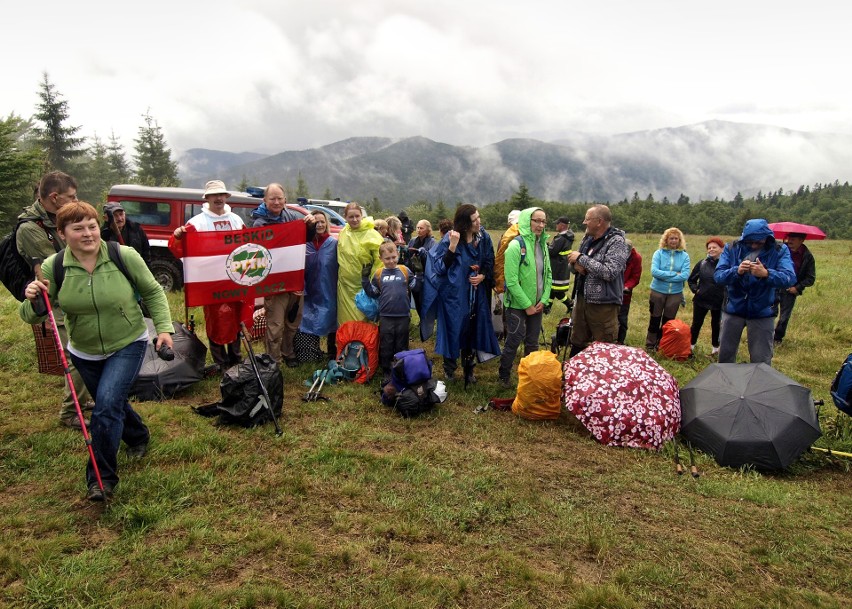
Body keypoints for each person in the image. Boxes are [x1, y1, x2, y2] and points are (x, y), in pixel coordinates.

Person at [20, 201, 174, 501]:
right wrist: (33, 298)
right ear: (63, 233)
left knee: (104, 406)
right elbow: (34, 315)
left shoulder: (122, 255)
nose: (88, 233)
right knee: (111, 401)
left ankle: (101, 479)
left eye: (92, 226)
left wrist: (164, 329)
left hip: (128, 343)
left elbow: (154, 291)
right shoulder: (55, 266)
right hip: (83, 351)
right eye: (78, 228)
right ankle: (138, 435)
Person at [17, 171, 93, 429]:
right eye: (71, 197)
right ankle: (70, 413)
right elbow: (56, 265)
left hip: (76, 295)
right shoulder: (31, 229)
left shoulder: (55, 219)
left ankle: (83, 400)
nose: (75, 200)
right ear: (54, 197)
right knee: (75, 357)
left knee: (88, 351)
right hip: (56, 301)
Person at [170, 180, 253, 373]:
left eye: (222, 195)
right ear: (207, 198)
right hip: (211, 281)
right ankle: (220, 361)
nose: (219, 198)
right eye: (214, 195)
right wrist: (178, 236)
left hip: (234, 278)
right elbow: (179, 248)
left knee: (235, 318)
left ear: (226, 197)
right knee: (215, 319)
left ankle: (235, 358)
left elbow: (245, 245)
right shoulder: (196, 223)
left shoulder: (236, 220)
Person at [421, 204, 500, 383]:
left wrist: (483, 275)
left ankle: (469, 369)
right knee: (453, 329)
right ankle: (450, 370)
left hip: (475, 294)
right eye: (474, 220)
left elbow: (489, 259)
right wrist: (453, 247)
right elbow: (439, 268)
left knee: (472, 327)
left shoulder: (483, 237)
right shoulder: (451, 238)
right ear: (465, 223)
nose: (479, 222)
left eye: (479, 217)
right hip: (453, 296)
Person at [251, 183, 317, 367]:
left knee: (293, 321)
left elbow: (307, 238)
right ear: (265, 200)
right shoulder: (260, 223)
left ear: (285, 200)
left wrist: (310, 226)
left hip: (295, 279)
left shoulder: (292, 217)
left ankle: (288, 353)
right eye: (272, 198)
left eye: (280, 198)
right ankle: (273, 360)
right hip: (275, 283)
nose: (276, 202)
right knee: (275, 324)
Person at [714, 219, 796, 365]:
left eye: (758, 242)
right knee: (725, 357)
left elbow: (789, 278)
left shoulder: (779, 250)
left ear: (768, 238)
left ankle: (759, 386)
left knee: (761, 360)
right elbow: (718, 276)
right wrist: (737, 271)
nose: (753, 245)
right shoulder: (732, 247)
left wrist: (766, 274)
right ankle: (725, 386)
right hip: (733, 309)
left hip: (762, 311)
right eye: (750, 242)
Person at [498, 207, 552, 387]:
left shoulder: (543, 245)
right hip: (517, 305)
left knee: (532, 343)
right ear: (527, 221)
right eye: (536, 220)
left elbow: (548, 275)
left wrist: (543, 300)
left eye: (543, 221)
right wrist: (527, 305)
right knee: (513, 340)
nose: (540, 225)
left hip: (537, 305)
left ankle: (529, 376)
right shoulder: (515, 246)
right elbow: (511, 281)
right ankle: (504, 375)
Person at [566, 205, 630, 356]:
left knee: (604, 347)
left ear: (599, 221)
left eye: (587, 219)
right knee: (577, 341)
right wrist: (575, 265)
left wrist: (582, 259)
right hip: (582, 300)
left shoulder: (617, 242)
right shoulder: (587, 238)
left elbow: (610, 272)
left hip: (604, 305)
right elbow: (575, 264)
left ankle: (602, 378)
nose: (584, 222)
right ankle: (573, 375)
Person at [362, 241, 417, 382]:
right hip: (386, 317)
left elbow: (416, 287)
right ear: (381, 259)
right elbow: (373, 293)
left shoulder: (405, 271)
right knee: (386, 344)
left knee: (401, 344)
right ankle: (386, 371)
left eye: (393, 257)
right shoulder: (379, 273)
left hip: (403, 316)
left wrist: (420, 274)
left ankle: (400, 369)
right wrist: (364, 279)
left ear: (398, 254)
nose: (391, 261)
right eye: (387, 258)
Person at [300, 209, 339, 358]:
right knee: (308, 318)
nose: (319, 224)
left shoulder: (333, 243)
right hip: (309, 289)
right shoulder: (305, 244)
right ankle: (311, 352)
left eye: (322, 221)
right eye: (316, 222)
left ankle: (332, 351)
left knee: (331, 317)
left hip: (329, 288)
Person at [337, 203, 384, 325]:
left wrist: (372, 282)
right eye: (351, 217)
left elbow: (381, 260)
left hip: (365, 287)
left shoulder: (372, 234)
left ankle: (367, 344)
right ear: (345, 217)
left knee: (364, 322)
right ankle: (347, 343)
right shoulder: (343, 233)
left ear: (362, 215)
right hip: (345, 287)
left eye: (357, 216)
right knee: (346, 322)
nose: (354, 220)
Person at [645, 228, 690, 350]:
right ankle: (650, 344)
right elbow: (655, 272)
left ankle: (662, 344)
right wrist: (675, 274)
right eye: (671, 238)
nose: (673, 241)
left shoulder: (684, 256)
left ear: (679, 240)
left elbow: (685, 275)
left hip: (675, 294)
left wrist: (665, 275)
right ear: (666, 240)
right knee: (655, 319)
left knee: (668, 321)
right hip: (658, 292)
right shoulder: (658, 253)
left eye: (676, 238)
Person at [773, 232, 816, 345]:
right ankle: (764, 335)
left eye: (793, 239)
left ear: (801, 240)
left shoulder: (807, 256)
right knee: (768, 312)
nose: (790, 241)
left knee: (784, 317)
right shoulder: (779, 250)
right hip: (774, 286)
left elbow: (810, 278)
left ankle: (777, 338)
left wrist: (797, 288)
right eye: (789, 238)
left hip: (790, 290)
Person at [688, 237, 725, 355]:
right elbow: (691, 280)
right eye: (709, 248)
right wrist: (696, 290)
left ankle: (716, 349)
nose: (711, 250)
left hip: (719, 300)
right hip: (701, 299)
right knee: (696, 324)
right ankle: (690, 346)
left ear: (722, 249)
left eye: (715, 247)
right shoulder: (702, 263)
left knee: (716, 325)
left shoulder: (726, 264)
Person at [101, 202, 152, 267]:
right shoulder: (102, 236)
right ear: (105, 218)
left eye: (121, 214)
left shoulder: (136, 229)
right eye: (115, 215)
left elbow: (146, 252)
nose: (120, 218)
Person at [407, 219, 436, 317]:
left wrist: (423, 253)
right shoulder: (412, 240)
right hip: (413, 272)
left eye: (421, 228)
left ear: (427, 230)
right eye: (417, 228)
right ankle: (421, 317)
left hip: (426, 273)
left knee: (424, 298)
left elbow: (433, 257)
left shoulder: (431, 242)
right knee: (416, 297)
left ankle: (426, 318)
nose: (419, 230)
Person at [617, 240, 643, 345]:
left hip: (624, 294)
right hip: (610, 292)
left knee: (622, 319)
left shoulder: (636, 258)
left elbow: (635, 277)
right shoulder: (613, 254)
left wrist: (626, 287)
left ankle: (620, 341)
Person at [548, 216, 574, 302]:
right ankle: (547, 308)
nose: (556, 225)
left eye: (557, 224)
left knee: (557, 291)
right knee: (553, 289)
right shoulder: (568, 236)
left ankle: (569, 304)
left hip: (557, 267)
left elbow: (552, 252)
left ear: (562, 226)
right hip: (562, 266)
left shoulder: (561, 238)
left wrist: (545, 246)